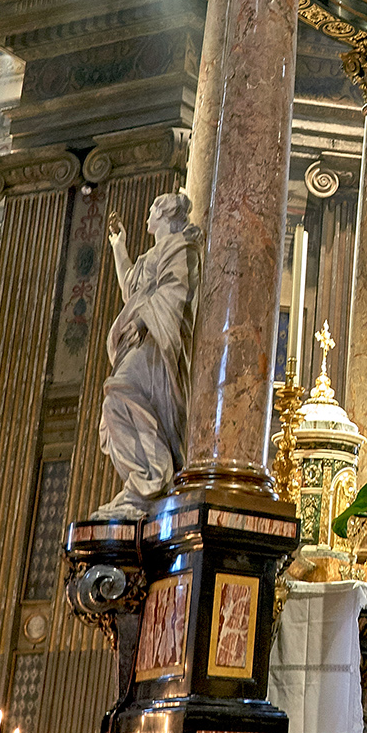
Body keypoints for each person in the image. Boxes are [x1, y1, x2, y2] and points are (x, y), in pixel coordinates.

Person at [93, 192, 201, 517]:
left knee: (119, 395)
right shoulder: (150, 255)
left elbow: (175, 290)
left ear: (166, 215)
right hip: (137, 340)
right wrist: (118, 245)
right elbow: (130, 287)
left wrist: (143, 318)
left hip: (156, 343)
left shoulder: (180, 247)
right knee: (114, 403)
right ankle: (144, 482)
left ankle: (153, 480)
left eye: (153, 209)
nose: (147, 215)